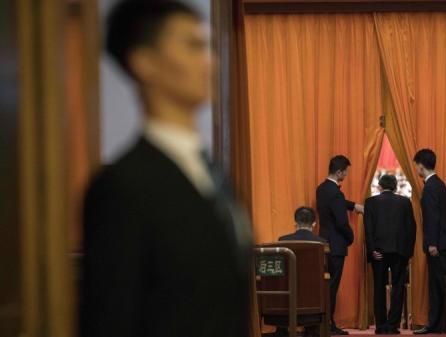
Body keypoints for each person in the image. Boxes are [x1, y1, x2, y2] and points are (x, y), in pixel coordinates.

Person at [80, 2, 252, 337]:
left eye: (209, 47)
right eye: (193, 46)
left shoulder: (212, 174)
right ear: (145, 63)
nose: (210, 61)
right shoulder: (121, 186)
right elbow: (110, 318)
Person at [316, 155, 364, 335]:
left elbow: (336, 203)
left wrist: (353, 206)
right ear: (339, 172)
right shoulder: (336, 193)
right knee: (332, 286)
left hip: (324, 242)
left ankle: (322, 322)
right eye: (346, 172)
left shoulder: (322, 189)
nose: (346, 175)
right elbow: (342, 222)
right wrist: (351, 237)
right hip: (337, 245)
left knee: (325, 285)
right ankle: (330, 324)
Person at [364, 174, 416, 335]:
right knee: (398, 287)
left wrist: (372, 250)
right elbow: (411, 229)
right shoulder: (405, 202)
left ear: (380, 186)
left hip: (378, 251)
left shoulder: (370, 202)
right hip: (399, 252)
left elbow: (368, 229)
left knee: (378, 287)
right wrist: (408, 252)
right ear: (395, 187)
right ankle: (393, 325)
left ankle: (380, 325)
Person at [412, 149, 446, 335]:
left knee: (436, 286)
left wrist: (432, 243)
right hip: (444, 242)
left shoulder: (430, 188)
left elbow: (432, 218)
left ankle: (434, 324)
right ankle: (439, 323)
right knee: (439, 284)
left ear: (421, 165)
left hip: (437, 244)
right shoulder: (440, 184)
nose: (416, 169)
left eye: (416, 166)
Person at [274, 207, 327, 337]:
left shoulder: (283, 241)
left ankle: (281, 330)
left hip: (286, 301)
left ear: (295, 223)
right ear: (314, 224)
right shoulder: (322, 243)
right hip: (313, 303)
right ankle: (312, 331)